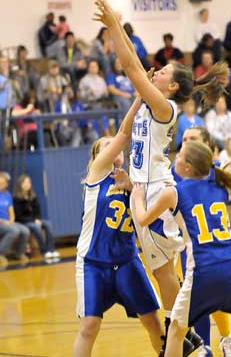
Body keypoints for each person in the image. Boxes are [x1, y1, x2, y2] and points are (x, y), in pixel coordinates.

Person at [93, 0, 229, 356]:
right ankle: (187, 334)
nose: (158, 70)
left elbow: (132, 69)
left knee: (163, 271)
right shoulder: (150, 105)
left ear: (170, 87)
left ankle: (187, 336)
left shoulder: (164, 106)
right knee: (163, 269)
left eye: (165, 71)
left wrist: (114, 26)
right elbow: (135, 68)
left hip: (154, 192)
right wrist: (129, 178)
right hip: (145, 186)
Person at [132, 140, 231, 357]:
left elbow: (142, 219)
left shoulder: (174, 193)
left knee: (176, 331)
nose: (175, 157)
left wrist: (137, 198)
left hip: (203, 271)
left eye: (179, 155)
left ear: (187, 167)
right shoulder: (221, 184)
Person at [73, 97, 164, 357]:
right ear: (97, 158)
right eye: (107, 148)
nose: (114, 153)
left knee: (153, 322)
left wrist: (133, 189)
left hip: (127, 261)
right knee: (89, 325)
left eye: (116, 150)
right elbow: (124, 134)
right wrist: (139, 98)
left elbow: (148, 218)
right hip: (93, 262)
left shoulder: (135, 183)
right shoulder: (96, 176)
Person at [174, 127, 231, 357]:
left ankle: (227, 338)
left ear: (205, 144)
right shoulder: (176, 170)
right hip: (187, 244)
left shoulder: (217, 171)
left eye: (193, 139)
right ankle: (205, 346)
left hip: (215, 243)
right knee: (196, 296)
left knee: (218, 294)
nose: (187, 143)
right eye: (183, 139)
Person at [13, 175, 60, 259]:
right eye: (26, 182)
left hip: (34, 220)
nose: (29, 184)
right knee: (36, 227)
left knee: (48, 224)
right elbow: (19, 216)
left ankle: (51, 250)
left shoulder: (33, 196)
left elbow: (38, 210)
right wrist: (33, 220)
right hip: (24, 221)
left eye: (29, 182)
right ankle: (44, 250)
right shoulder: (16, 198)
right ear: (21, 184)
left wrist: (37, 218)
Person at [0, 172, 30, 266]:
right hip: (1, 222)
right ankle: (1, 253)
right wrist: (4, 221)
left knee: (25, 230)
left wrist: (11, 220)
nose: (2, 185)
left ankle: (18, 253)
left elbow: (11, 211)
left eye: (3, 183)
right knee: (14, 231)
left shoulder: (7, 194)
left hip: (8, 222)